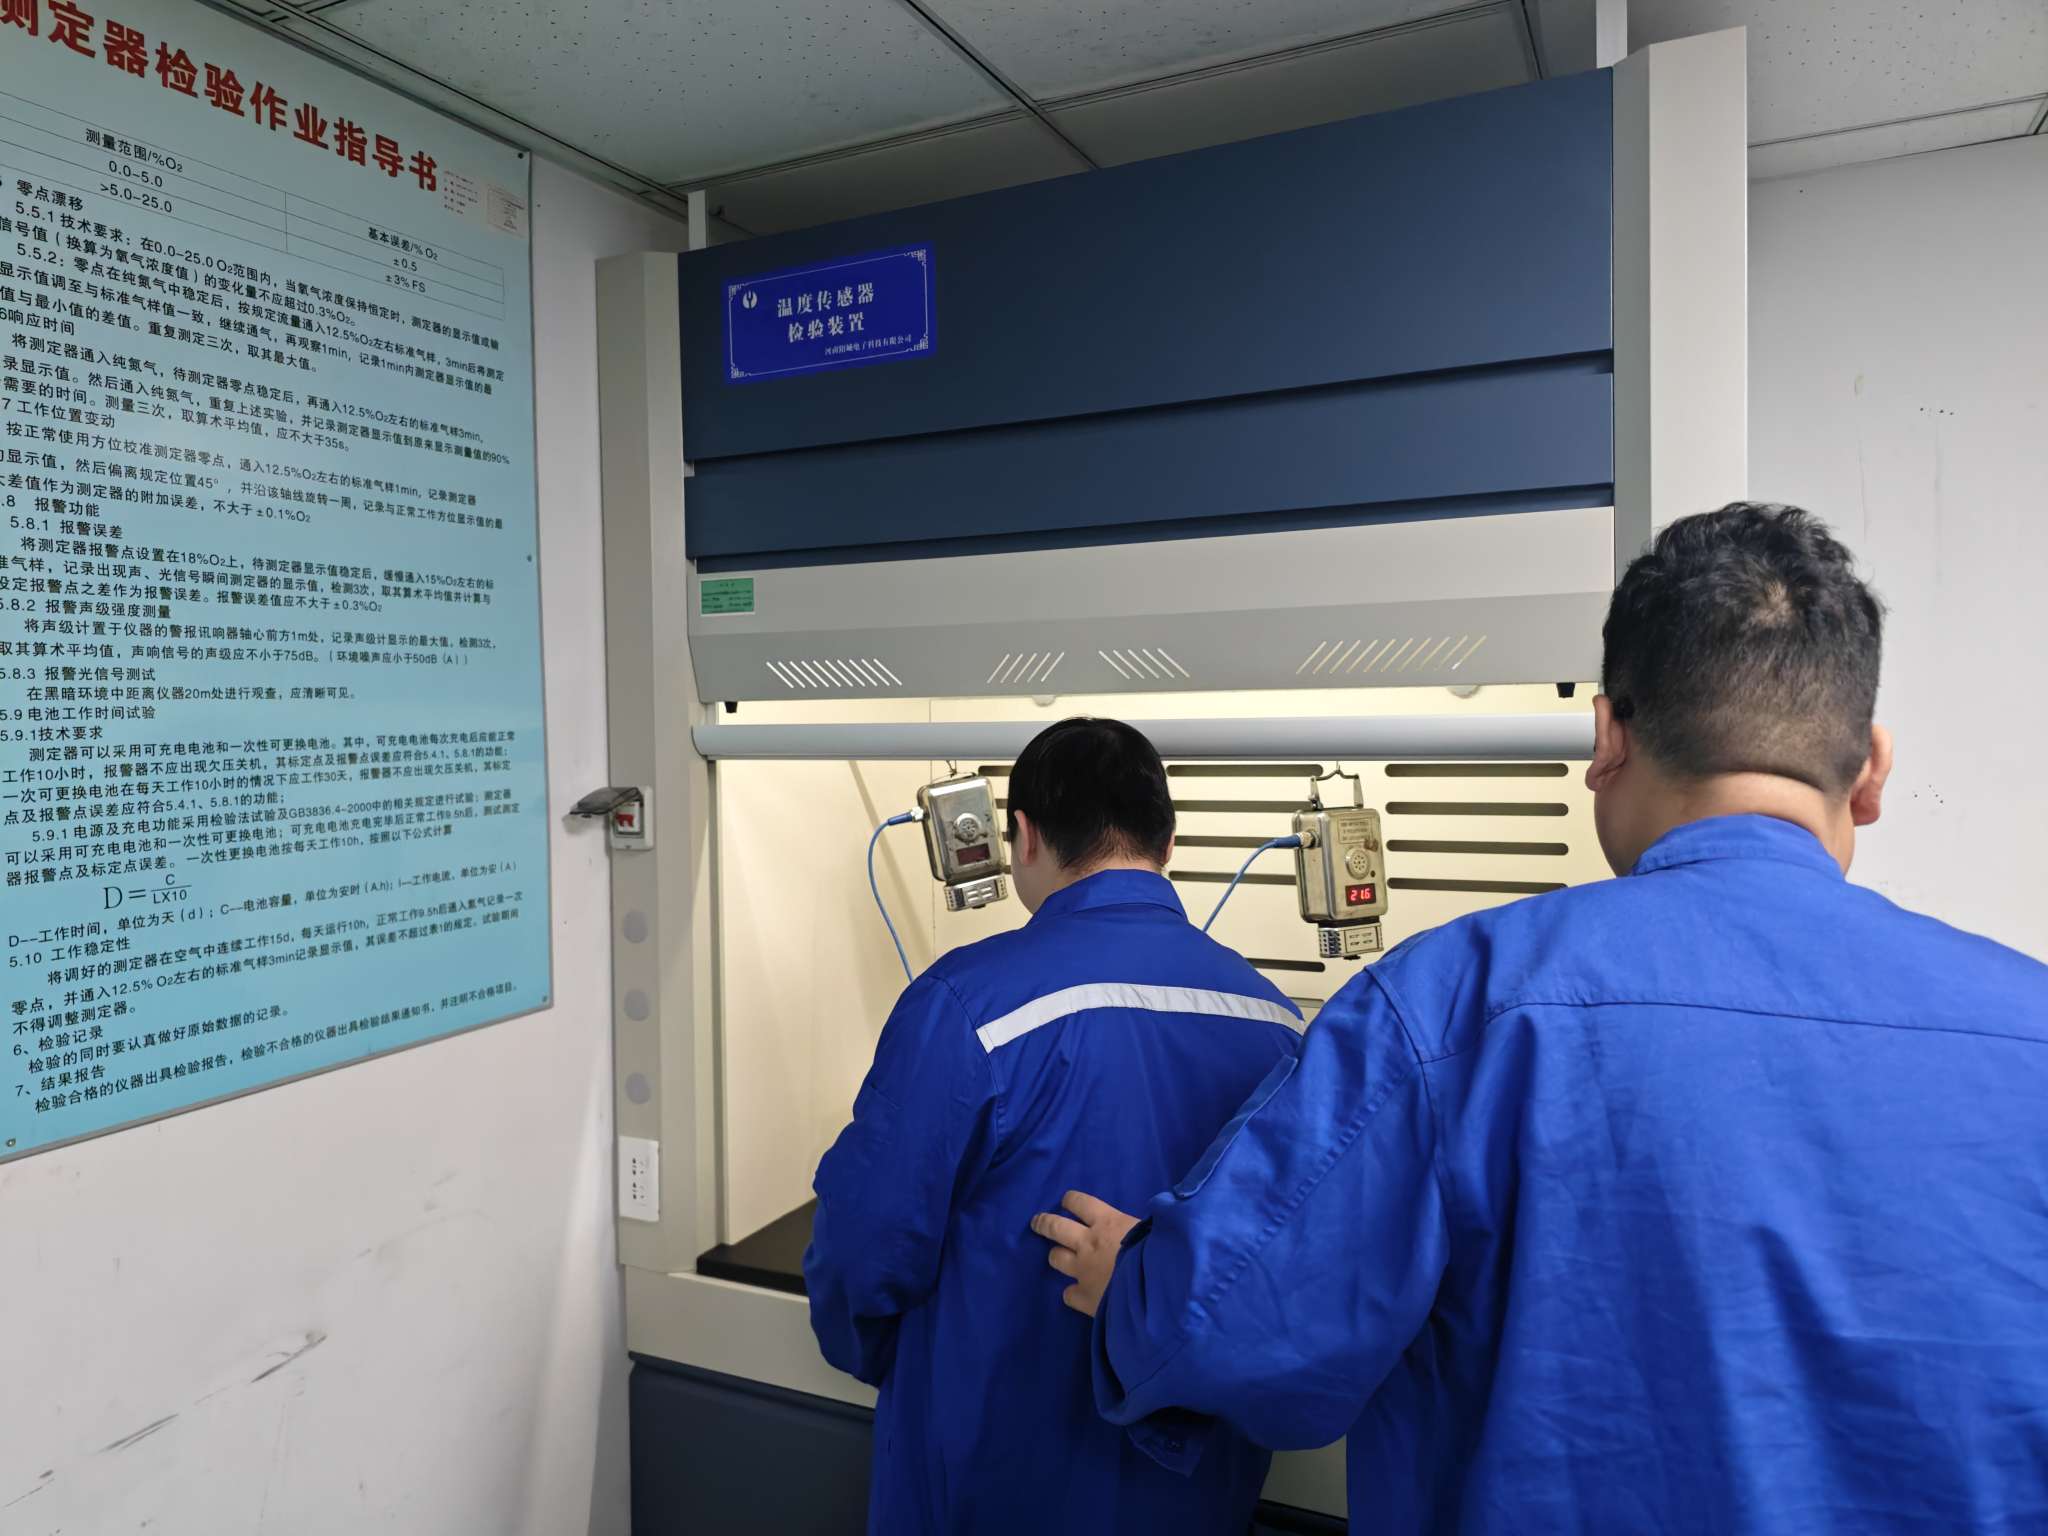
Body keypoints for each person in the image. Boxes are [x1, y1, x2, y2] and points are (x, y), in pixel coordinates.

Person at [1034, 504, 2048, 1532]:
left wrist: (1134, 1288)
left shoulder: (1454, 1006)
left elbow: (1234, 1328)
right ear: (1870, 770)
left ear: (1606, 738)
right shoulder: (2031, 1030)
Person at [804, 716, 1304, 1536]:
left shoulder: (966, 1006)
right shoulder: (1278, 1023)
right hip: (1196, 1489)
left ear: (1024, 836)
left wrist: (887, 1360)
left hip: (990, 1479)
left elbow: (863, 1250)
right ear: (1167, 843)